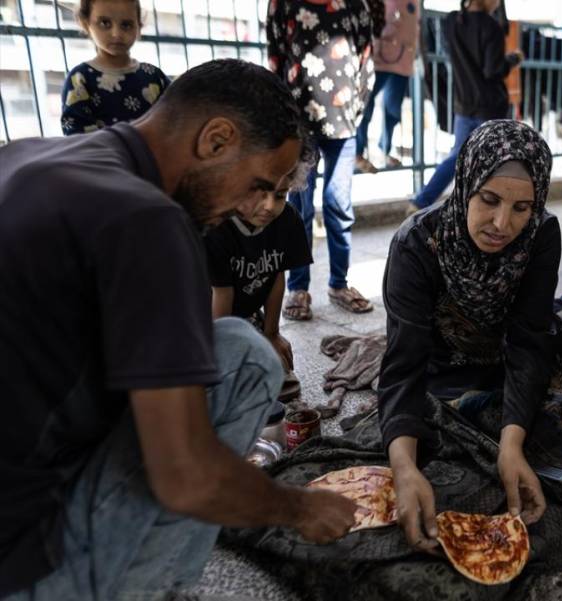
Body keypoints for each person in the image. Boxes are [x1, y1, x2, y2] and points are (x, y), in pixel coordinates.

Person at [0, 59, 359, 600]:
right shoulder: (148, 223)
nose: (252, 206)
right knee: (245, 358)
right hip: (26, 557)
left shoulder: (28, 153)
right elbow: (186, 477)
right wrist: (299, 508)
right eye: (257, 183)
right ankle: (144, 585)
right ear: (216, 140)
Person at [378, 120, 558, 551]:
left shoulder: (541, 235)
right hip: (440, 366)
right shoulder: (416, 245)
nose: (502, 224)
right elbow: (404, 365)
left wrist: (511, 445)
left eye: (522, 208)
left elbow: (530, 340)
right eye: (489, 200)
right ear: (464, 187)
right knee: (419, 426)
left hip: (502, 363)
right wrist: (403, 469)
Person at [266, 0, 385, 320]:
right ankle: (298, 287)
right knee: (298, 209)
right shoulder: (284, 4)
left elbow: (365, 61)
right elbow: (275, 56)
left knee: (338, 204)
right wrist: (282, 117)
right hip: (298, 124)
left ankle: (339, 283)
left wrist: (356, 114)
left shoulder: (355, 5)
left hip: (343, 124)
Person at [203, 174, 314, 403]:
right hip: (207, 316)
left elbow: (275, 276)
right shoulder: (217, 227)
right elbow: (222, 293)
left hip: (244, 312)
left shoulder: (288, 219)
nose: (270, 206)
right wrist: (223, 356)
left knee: (268, 370)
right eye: (260, 194)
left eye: (280, 195)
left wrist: (272, 333)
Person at [410, 0, 523, 211]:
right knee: (493, 162)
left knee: (457, 158)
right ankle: (480, 209)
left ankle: (422, 201)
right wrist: (512, 59)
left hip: (464, 104)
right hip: (490, 106)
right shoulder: (491, 27)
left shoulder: (453, 21)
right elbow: (493, 71)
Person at [60, 0, 170, 135]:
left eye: (126, 25)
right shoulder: (79, 79)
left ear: (139, 27)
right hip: (103, 156)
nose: (116, 33)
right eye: (105, 23)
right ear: (86, 23)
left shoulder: (154, 76)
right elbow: (77, 137)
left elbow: (174, 120)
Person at [354, 0, 421, 173]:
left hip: (404, 61)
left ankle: (385, 148)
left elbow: (416, 29)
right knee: (365, 106)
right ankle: (358, 152)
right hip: (380, 59)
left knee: (393, 109)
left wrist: (418, 55)